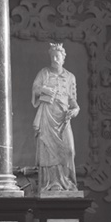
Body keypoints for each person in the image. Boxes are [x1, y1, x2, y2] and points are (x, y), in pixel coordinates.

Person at [32, 43, 80, 193]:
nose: (54, 59)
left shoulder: (70, 77)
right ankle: (51, 183)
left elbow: (73, 101)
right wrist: (45, 90)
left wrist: (75, 110)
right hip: (47, 115)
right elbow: (35, 89)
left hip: (63, 118)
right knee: (48, 151)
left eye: (57, 56)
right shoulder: (44, 73)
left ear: (63, 58)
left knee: (69, 150)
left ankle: (67, 182)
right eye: (52, 56)